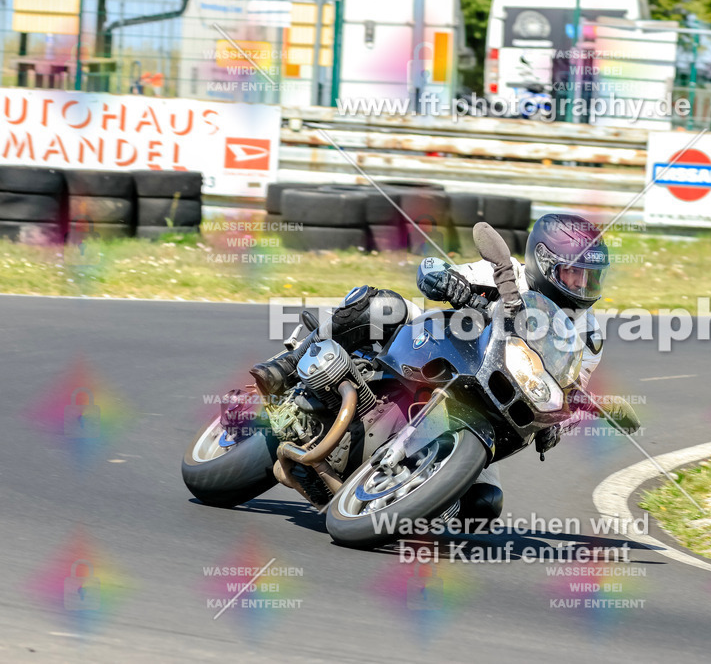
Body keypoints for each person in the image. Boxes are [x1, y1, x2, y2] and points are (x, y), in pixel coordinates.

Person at [250, 213, 615, 522]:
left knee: (484, 506)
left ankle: (403, 500)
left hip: (491, 406)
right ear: (544, 262)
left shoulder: (588, 337)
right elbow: (430, 271)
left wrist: (557, 421)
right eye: (573, 274)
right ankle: (288, 364)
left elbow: (569, 387)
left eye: (589, 276)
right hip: (436, 354)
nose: (582, 285)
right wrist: (449, 282)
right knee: (382, 307)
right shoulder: (505, 275)